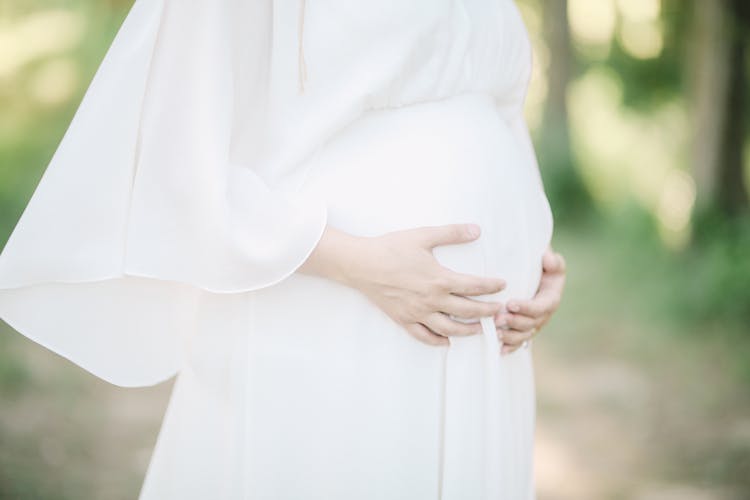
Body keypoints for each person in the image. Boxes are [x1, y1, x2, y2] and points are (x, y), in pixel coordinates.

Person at [0, 0, 567, 498]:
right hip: (337, 307)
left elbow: (502, 110)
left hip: (489, 343)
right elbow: (175, 154)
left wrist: (533, 252)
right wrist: (356, 263)